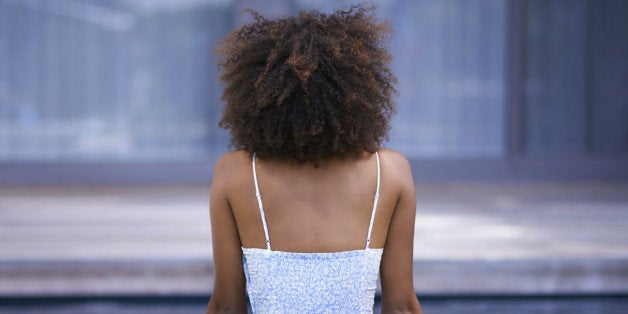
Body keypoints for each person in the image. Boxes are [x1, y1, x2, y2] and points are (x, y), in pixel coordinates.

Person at [206, 4, 422, 313]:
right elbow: (401, 306)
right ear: (358, 93)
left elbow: (227, 306)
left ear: (257, 94)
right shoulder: (390, 171)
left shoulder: (236, 173)